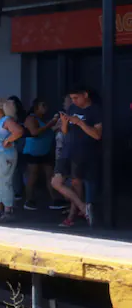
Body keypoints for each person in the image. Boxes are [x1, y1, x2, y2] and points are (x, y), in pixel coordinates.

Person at [51, 86, 102, 228]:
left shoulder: (95, 110)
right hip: (67, 150)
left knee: (76, 184)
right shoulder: (72, 108)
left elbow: (97, 135)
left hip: (83, 152)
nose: (74, 101)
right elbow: (65, 132)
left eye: (76, 98)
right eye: (71, 98)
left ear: (85, 95)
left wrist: (79, 122)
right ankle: (83, 207)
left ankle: (72, 216)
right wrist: (65, 123)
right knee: (56, 182)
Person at [22, 99, 56, 211]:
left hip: (45, 151)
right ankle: (29, 199)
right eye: (43, 105)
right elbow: (34, 132)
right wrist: (50, 124)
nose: (46, 107)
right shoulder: (31, 118)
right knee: (33, 174)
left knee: (50, 174)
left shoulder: (43, 119)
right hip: (33, 151)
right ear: (36, 107)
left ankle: (55, 199)